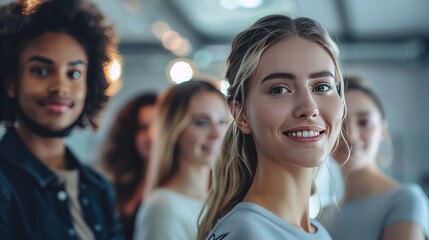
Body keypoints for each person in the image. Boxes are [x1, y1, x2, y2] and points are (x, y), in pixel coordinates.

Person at [197, 14, 346, 240]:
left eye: (322, 86)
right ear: (241, 115)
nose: (309, 107)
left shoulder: (319, 233)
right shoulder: (246, 233)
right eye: (280, 89)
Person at [0, 0, 124, 239]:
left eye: (74, 73)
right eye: (41, 71)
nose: (61, 87)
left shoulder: (98, 186)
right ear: (12, 83)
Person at [318, 76, 429, 240]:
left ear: (382, 130)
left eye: (364, 122)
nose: (351, 135)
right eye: (340, 123)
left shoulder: (405, 199)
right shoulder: (323, 216)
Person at [134, 80, 230, 240]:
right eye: (202, 122)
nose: (217, 134)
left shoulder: (226, 200)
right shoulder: (162, 207)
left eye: (222, 121)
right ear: (175, 130)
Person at [100, 92, 157, 240]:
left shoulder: (174, 188)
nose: (151, 135)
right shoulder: (114, 183)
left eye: (158, 126)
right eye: (143, 128)